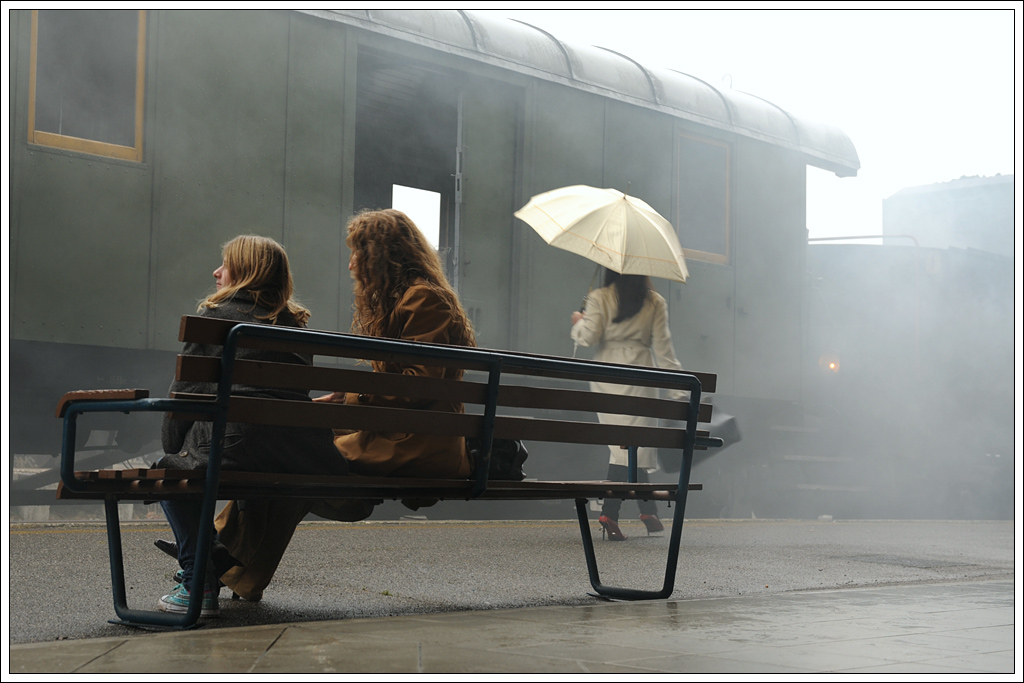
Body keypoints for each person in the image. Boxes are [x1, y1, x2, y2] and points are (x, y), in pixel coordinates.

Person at [212, 208, 477, 601]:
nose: (351, 262)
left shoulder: (423, 299)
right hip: (401, 435)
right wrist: (344, 399)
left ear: (382, 255)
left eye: (358, 252)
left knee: (287, 464)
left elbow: (419, 383)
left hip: (417, 444)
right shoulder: (408, 297)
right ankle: (223, 572)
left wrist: (352, 397)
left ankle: (209, 565)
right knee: (282, 459)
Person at [155, 235, 347, 617]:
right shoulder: (296, 327)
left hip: (236, 447)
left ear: (244, 272)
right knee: (203, 463)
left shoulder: (214, 318)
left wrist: (172, 445)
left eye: (224, 264)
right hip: (293, 455)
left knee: (167, 474)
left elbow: (184, 396)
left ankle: (199, 580)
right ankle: (212, 562)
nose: (216, 271)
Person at [569, 269, 685, 541]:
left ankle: (611, 513)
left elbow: (589, 337)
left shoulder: (600, 297)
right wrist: (680, 393)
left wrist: (578, 321)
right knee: (633, 443)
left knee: (622, 446)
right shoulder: (655, 301)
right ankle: (647, 511)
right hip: (642, 375)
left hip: (607, 377)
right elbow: (665, 352)